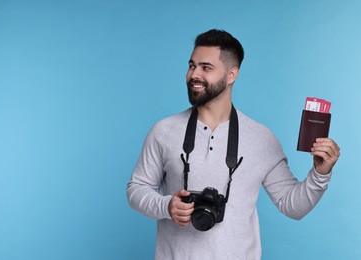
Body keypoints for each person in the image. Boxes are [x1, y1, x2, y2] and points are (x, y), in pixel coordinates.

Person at [126, 29, 340, 259]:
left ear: (231, 75)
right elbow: (136, 189)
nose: (194, 74)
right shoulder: (164, 130)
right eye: (191, 66)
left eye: (206, 67)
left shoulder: (261, 138)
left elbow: (292, 206)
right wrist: (166, 206)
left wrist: (320, 173)